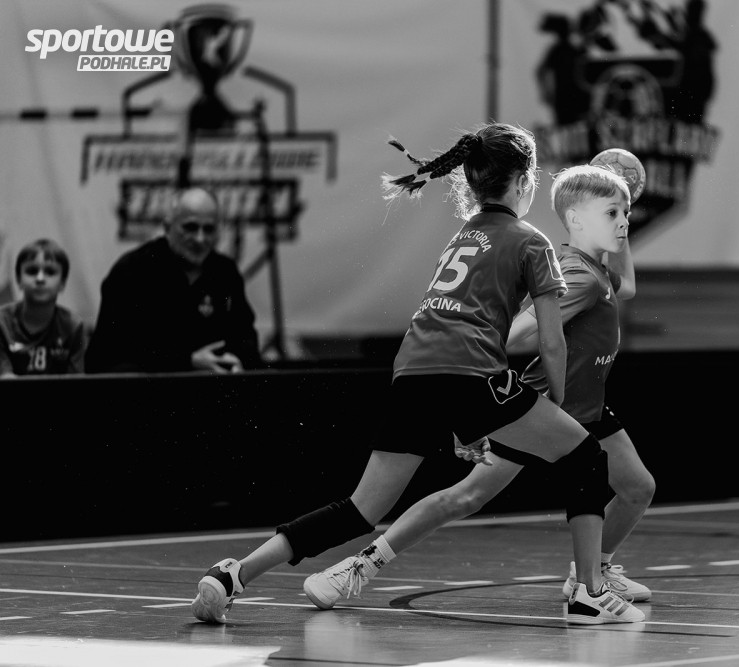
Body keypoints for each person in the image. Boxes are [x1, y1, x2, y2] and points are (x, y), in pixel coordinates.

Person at [191, 122, 644, 626]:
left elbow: (446, 328)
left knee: (358, 509)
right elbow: (551, 341)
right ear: (524, 182)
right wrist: (553, 407)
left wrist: (465, 422)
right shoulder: (531, 241)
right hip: (471, 373)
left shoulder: (460, 238)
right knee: (585, 456)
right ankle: (589, 593)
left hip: (411, 372)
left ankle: (234, 574)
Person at [297, 164, 654, 609]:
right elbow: (520, 330)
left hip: (590, 408)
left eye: (627, 213)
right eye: (613, 213)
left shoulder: (598, 272)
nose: (624, 222)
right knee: (464, 497)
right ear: (576, 219)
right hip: (545, 406)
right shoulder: (578, 277)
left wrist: (620, 213)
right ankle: (357, 566)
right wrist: (476, 385)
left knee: (637, 488)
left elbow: (629, 286)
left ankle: (595, 570)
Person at [84, 186, 262, 374]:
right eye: (190, 228)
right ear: (168, 227)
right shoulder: (133, 271)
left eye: (209, 229)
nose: (200, 239)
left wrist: (238, 360)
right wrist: (187, 361)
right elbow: (108, 355)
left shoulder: (225, 272)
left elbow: (245, 338)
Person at [0, 238, 88, 378]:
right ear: (18, 279)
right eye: (32, 271)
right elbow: (6, 382)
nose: (40, 278)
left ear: (62, 283)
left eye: (50, 272)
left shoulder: (73, 326)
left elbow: (75, 383)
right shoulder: (2, 322)